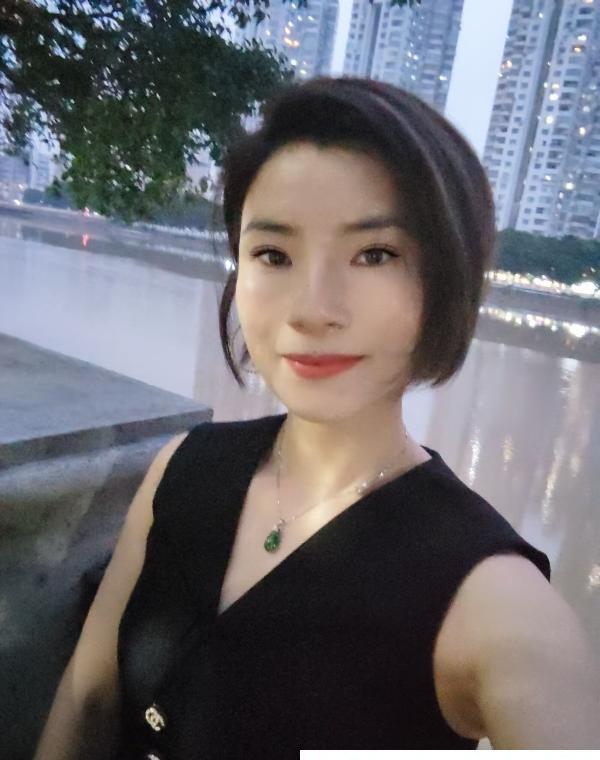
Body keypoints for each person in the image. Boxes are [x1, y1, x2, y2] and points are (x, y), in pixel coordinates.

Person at [34, 76, 600, 759]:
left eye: (375, 254)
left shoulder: (490, 601)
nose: (312, 309)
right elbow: (88, 697)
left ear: (446, 282)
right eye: (273, 254)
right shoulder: (183, 469)